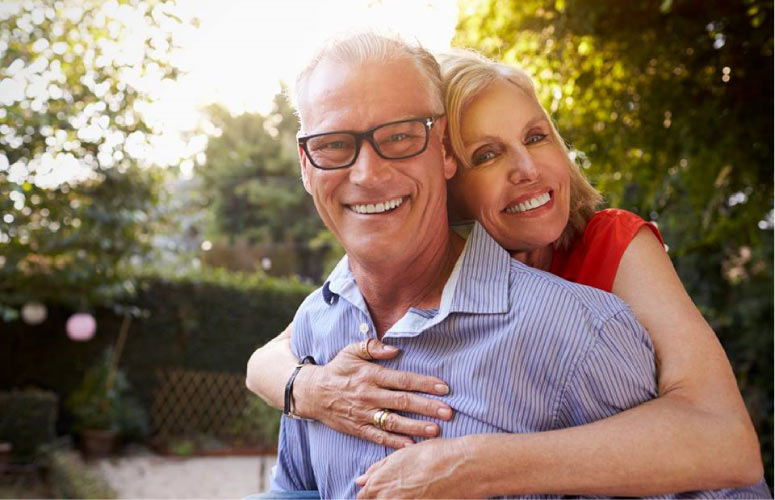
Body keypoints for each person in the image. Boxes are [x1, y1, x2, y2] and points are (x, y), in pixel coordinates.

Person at [248, 34, 768, 498]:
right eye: (488, 154)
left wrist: (476, 462)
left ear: (438, 157)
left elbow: (725, 446)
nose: (526, 169)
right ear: (450, 175)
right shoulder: (341, 308)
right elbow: (278, 353)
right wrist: (308, 389)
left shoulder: (604, 269)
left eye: (536, 137)